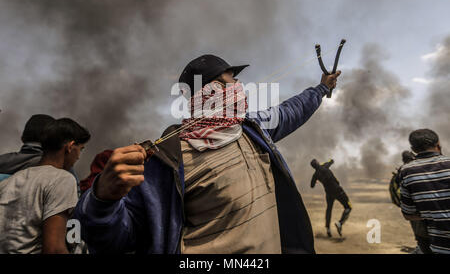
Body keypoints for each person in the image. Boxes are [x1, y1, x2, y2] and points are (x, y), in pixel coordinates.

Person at [74, 54, 341, 254]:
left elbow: (291, 110)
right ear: (211, 90)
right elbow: (120, 238)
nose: (239, 86)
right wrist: (102, 199)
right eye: (232, 81)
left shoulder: (253, 130)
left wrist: (321, 88)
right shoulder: (166, 160)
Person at [0, 118, 90, 253]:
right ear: (70, 147)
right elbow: (54, 249)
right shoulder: (62, 179)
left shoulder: (10, 181)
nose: (78, 157)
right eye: (80, 150)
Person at [0, 114, 81, 196]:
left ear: (22, 138)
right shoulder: (58, 165)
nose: (78, 157)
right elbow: (76, 198)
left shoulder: (3, 161)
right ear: (53, 140)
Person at [398, 129, 450, 254]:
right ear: (438, 144)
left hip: (439, 246)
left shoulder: (406, 172)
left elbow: (408, 214)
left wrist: (431, 213)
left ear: (413, 149)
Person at [390, 151, 431, 254]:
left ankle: (421, 247)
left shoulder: (401, 171)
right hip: (421, 207)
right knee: (426, 234)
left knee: (419, 232)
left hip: (409, 209)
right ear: (413, 158)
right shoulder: (414, 170)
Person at [310, 159, 351, 237]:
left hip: (329, 193)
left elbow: (312, 186)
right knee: (348, 207)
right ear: (318, 162)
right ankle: (340, 223)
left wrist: (316, 180)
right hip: (338, 191)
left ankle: (328, 228)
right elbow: (331, 161)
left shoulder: (315, 175)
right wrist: (329, 161)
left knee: (329, 209)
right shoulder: (325, 166)